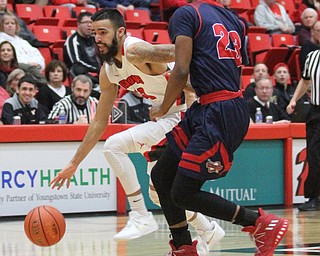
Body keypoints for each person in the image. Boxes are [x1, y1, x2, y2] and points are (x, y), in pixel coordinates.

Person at [49, 8, 224, 255]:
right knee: (160, 195)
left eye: (103, 32)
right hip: (169, 118)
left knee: (114, 146)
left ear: (120, 32)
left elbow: (181, 51)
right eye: (95, 32)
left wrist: (206, 68)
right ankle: (209, 230)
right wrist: (74, 163)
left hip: (187, 116)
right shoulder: (108, 72)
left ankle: (140, 215)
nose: (97, 37)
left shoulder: (135, 50)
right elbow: (99, 123)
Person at [149, 1, 289, 255]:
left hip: (217, 110)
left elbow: (181, 70)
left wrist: (163, 107)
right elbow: (227, 71)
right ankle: (183, 247)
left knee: (182, 192)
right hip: (218, 104)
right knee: (162, 175)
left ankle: (258, 222)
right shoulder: (234, 19)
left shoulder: (186, 14)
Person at [287, 49, 320, 211]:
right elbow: (305, 81)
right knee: (314, 156)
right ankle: (315, 197)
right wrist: (293, 100)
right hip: (316, 111)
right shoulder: (312, 57)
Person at [64, 11, 101, 99]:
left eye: (91, 22)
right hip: (81, 74)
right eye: (86, 22)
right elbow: (76, 62)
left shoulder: (95, 39)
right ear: (78, 24)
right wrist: (96, 70)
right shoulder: (72, 40)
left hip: (97, 73)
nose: (89, 25)